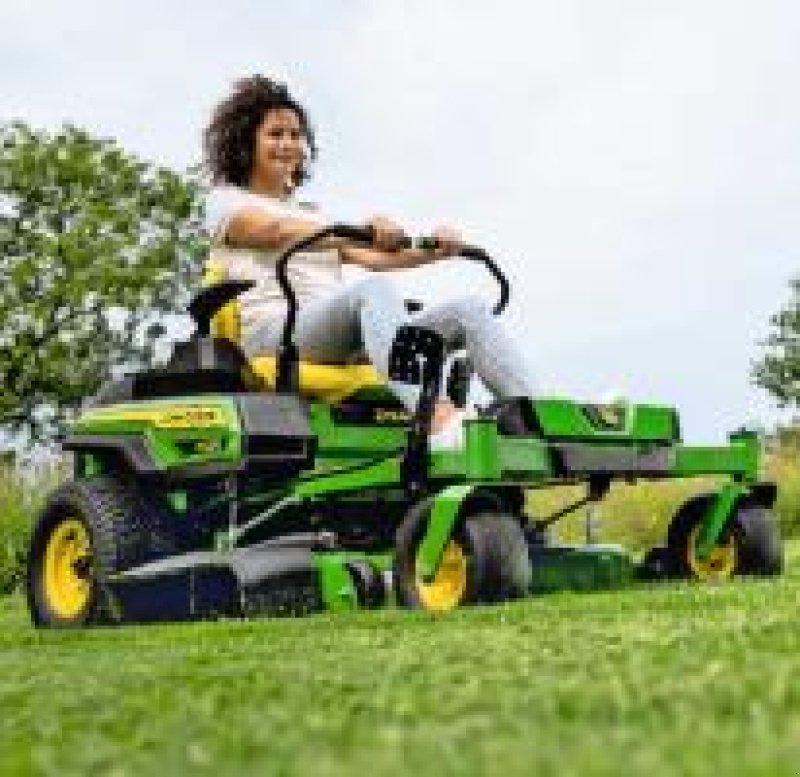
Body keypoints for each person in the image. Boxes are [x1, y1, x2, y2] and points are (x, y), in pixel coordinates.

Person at [202, 75, 535, 447]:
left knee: (468, 309)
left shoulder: (313, 216)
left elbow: (378, 258)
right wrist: (361, 229)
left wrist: (437, 249)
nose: (288, 144)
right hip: (273, 334)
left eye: (295, 135)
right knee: (371, 292)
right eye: (275, 134)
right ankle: (436, 420)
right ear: (246, 142)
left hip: (333, 332)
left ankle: (532, 414)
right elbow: (273, 231)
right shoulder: (226, 202)